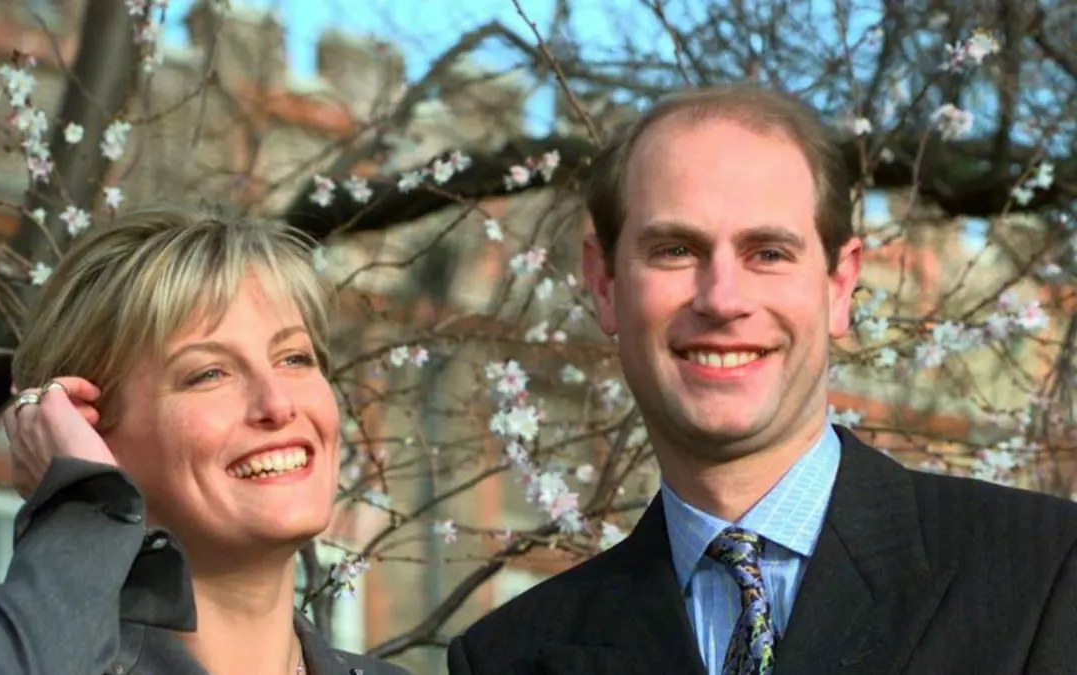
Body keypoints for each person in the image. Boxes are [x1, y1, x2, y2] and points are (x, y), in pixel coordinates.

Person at [446, 84, 1077, 675]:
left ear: (839, 285)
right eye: (675, 250)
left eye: (768, 254)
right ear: (604, 284)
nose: (722, 300)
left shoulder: (1043, 571)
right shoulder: (510, 657)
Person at [0, 206, 410, 675]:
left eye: (294, 358)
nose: (278, 405)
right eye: (209, 374)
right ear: (87, 428)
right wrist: (84, 498)